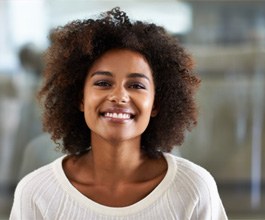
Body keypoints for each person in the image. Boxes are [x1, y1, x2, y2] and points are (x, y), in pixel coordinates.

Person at [10, 7, 228, 219]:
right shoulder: (36, 193)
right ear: (80, 99)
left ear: (156, 104)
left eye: (136, 85)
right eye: (103, 83)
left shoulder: (194, 189)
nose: (119, 96)